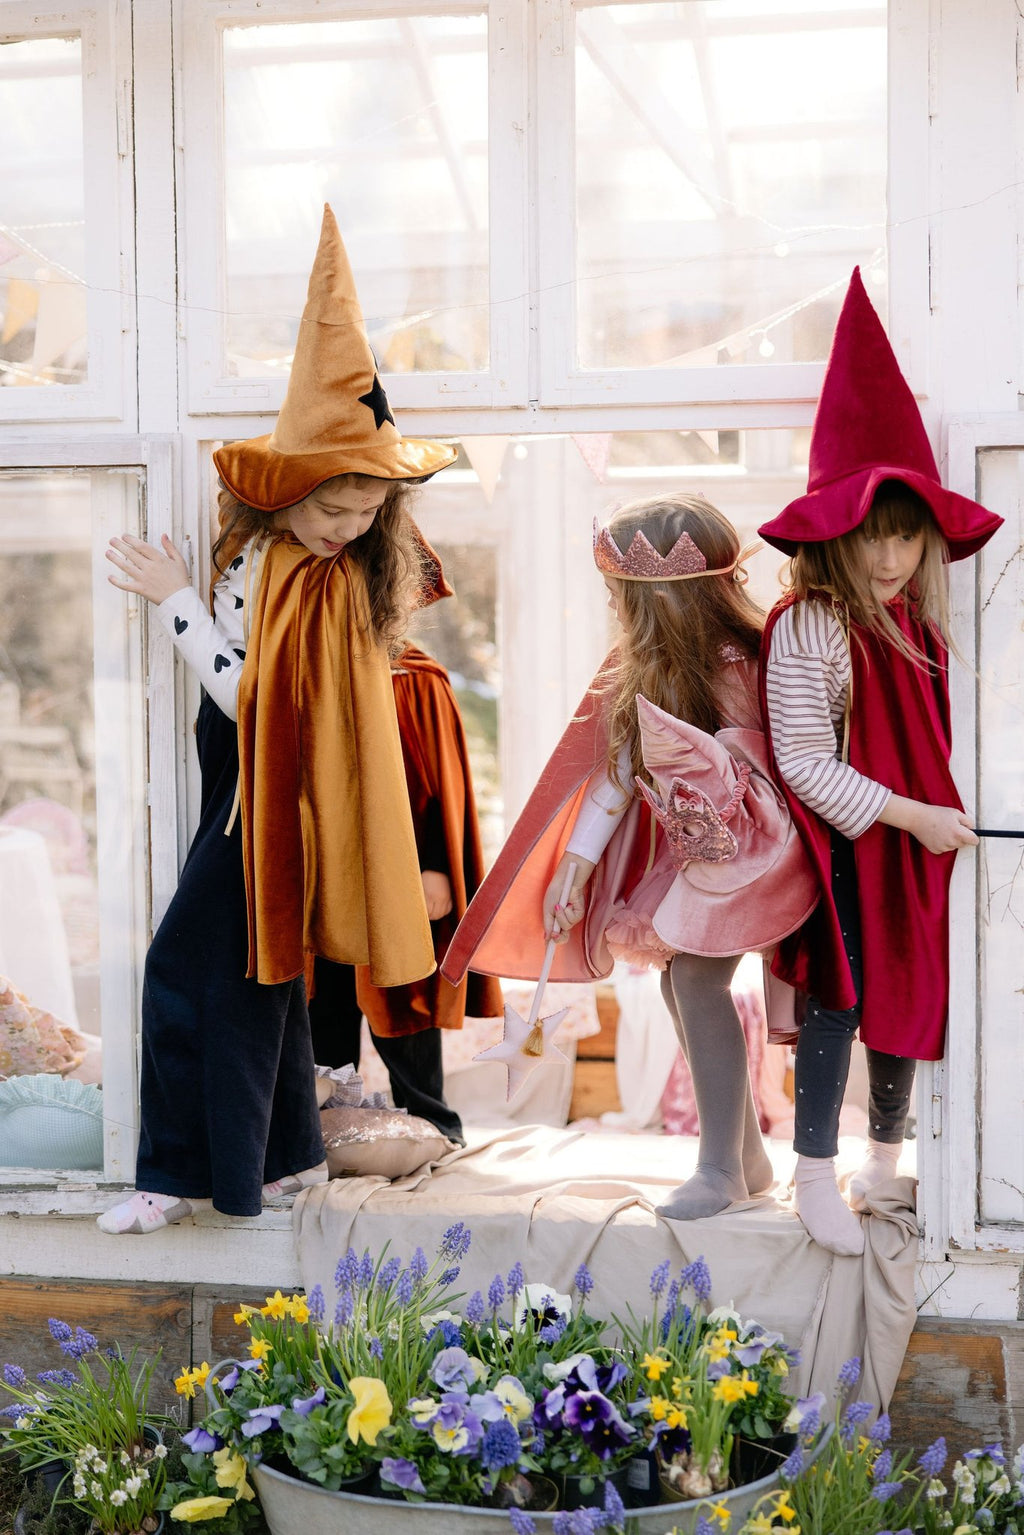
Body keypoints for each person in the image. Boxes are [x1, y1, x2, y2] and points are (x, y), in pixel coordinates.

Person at [96, 206, 457, 1233]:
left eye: (366, 515)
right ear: (288, 486)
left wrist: (171, 597)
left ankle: (176, 1174)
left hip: (267, 794)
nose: (349, 529)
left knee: (189, 966)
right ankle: (289, 1158)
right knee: (261, 980)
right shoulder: (277, 554)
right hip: (245, 785)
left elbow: (254, 697)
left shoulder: (314, 574)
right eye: (334, 506)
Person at [443, 491, 818, 1220]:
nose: (614, 609)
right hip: (704, 854)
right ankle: (743, 1155)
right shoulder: (645, 670)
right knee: (681, 982)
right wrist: (577, 867)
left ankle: (720, 1167)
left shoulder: (737, 664)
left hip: (756, 850)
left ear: (658, 602)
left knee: (700, 983)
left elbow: (768, 764)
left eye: (620, 597)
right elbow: (616, 774)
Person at [757, 267, 1003, 1257]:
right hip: (851, 843)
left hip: (918, 838)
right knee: (843, 996)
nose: (893, 555)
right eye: (874, 535)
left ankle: (885, 1156)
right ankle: (814, 1167)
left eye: (907, 535)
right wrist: (904, 814)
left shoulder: (920, 623)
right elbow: (804, 761)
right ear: (835, 535)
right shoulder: (812, 624)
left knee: (913, 992)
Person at [308, 637, 503, 1143]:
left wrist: (437, 864)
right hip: (326, 870)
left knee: (405, 995)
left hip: (400, 870)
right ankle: (325, 1126)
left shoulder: (414, 678)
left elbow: (441, 780)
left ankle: (432, 1122)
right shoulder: (310, 666)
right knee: (325, 998)